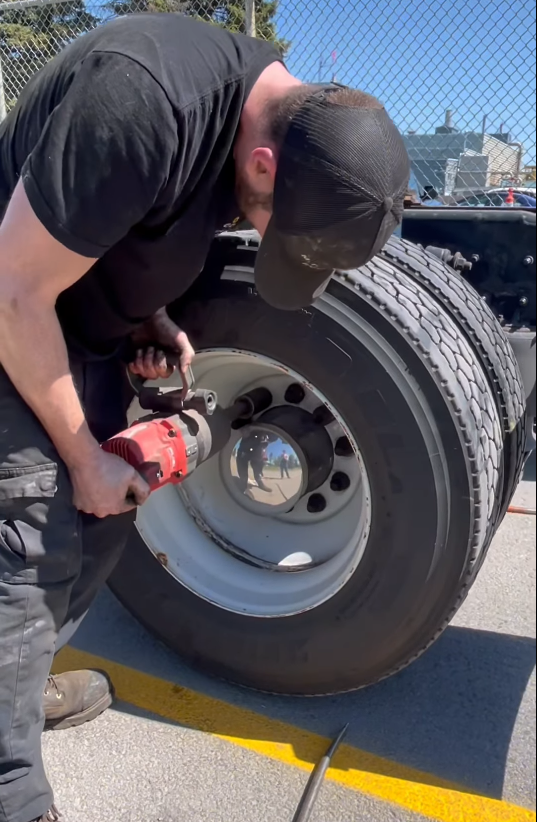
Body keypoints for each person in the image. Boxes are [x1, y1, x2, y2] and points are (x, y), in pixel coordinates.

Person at [0, 12, 410, 822]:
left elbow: (133, 226)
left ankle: (18, 683)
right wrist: (81, 456)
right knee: (38, 524)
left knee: (109, 512)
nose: (265, 238)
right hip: (14, 314)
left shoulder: (276, 125)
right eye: (273, 228)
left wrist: (144, 309)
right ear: (265, 162)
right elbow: (14, 291)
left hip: (71, 318)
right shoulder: (140, 97)